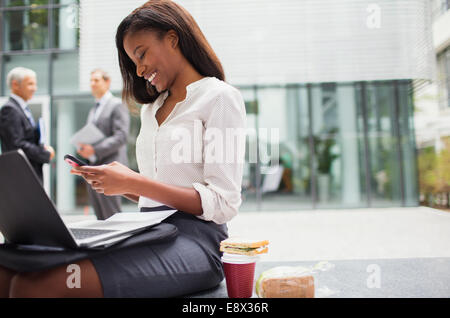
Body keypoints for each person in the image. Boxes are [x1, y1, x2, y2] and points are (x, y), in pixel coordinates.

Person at [0, 0, 246, 298]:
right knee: (7, 270)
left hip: (196, 241)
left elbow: (223, 202)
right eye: (133, 62)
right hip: (146, 229)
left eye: (141, 55)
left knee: (35, 286)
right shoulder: (150, 109)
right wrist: (118, 185)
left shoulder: (219, 97)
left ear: (173, 38)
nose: (139, 69)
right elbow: (159, 190)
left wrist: (133, 181)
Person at [77, 69, 130, 220]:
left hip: (110, 166)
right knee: (100, 216)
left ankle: (118, 244)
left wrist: (94, 150)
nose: (92, 84)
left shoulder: (117, 105)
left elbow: (121, 136)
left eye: (96, 80)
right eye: (91, 81)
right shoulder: (94, 109)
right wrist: (85, 148)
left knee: (112, 215)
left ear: (107, 82)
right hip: (94, 167)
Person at [0, 67, 54, 183]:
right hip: (20, 176)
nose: (35, 88)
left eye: (35, 84)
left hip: (27, 174)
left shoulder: (22, 109)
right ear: (15, 85)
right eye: (30, 84)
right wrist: (44, 153)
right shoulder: (10, 110)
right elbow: (17, 144)